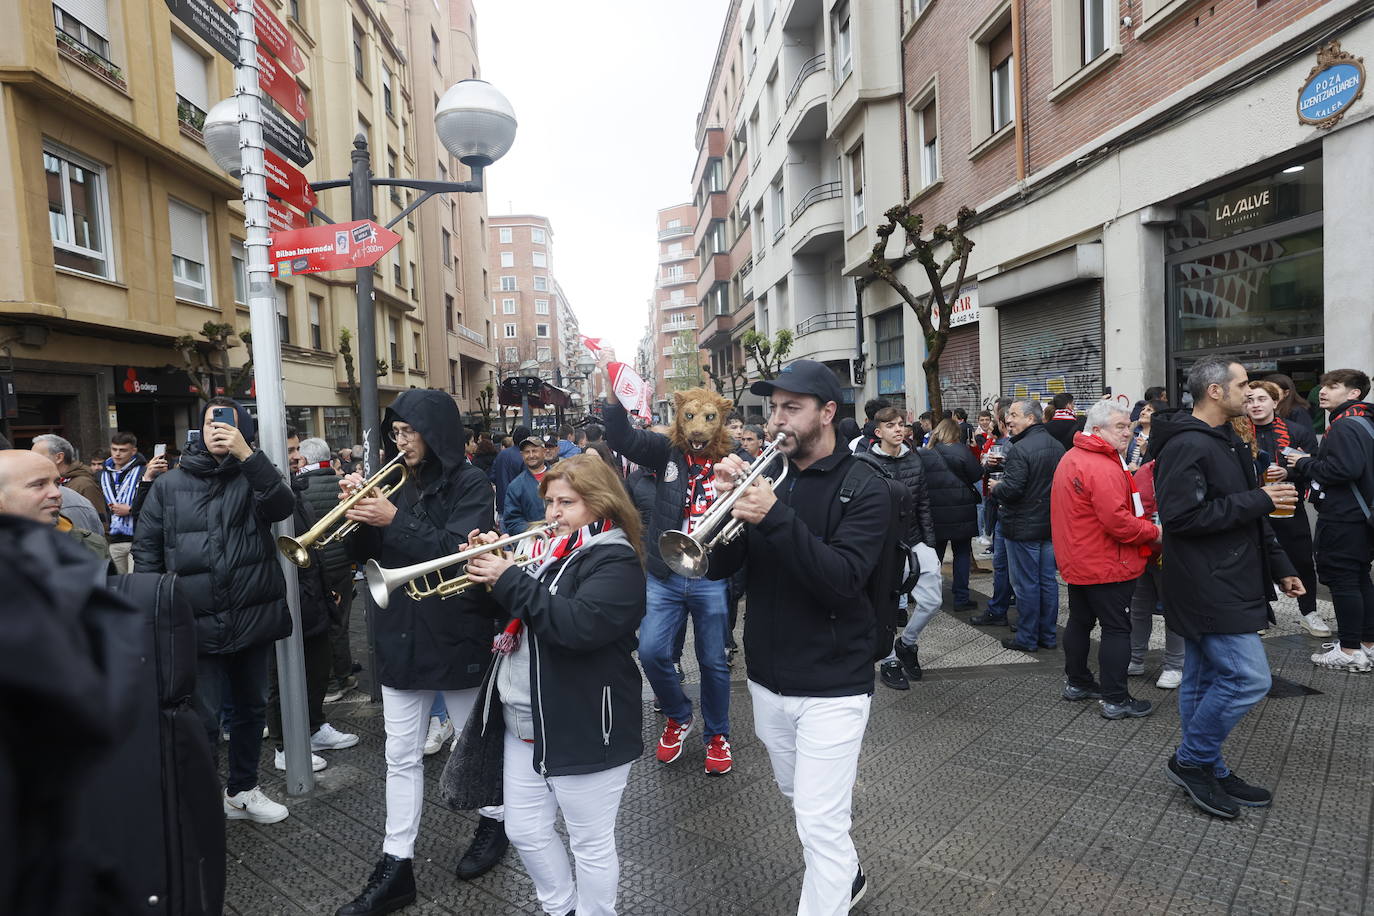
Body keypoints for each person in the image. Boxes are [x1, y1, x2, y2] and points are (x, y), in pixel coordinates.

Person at [707, 359, 892, 912]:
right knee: (803, 801)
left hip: (834, 683)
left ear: (827, 413)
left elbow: (841, 582)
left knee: (818, 818)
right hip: (767, 678)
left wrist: (772, 516)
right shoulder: (770, 480)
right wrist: (724, 514)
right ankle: (846, 869)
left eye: (792, 408)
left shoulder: (866, 487)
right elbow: (721, 571)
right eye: (773, 409)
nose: (776, 421)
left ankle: (833, 879)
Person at [336, 390, 507, 916]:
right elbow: (360, 555)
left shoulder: (472, 482)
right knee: (399, 755)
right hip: (399, 634)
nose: (401, 441)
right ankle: (396, 861)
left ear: (435, 434)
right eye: (396, 432)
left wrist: (394, 521)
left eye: (409, 432)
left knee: (471, 744)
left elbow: (462, 555)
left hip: (455, 633)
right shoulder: (393, 484)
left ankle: (496, 823)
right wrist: (357, 517)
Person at [461, 454, 647, 916]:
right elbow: (508, 616)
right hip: (525, 720)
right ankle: (560, 907)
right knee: (523, 830)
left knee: (590, 844)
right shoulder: (548, 554)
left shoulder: (615, 559)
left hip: (587, 722)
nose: (553, 514)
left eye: (567, 503)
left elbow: (576, 628)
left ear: (600, 504)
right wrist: (489, 574)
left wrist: (510, 579)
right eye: (549, 503)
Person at [132, 398, 296, 824]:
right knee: (201, 719)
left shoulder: (254, 475)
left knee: (251, 709)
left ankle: (242, 789)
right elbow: (146, 549)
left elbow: (282, 507)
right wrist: (153, 612)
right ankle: (201, 798)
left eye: (225, 422)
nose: (216, 428)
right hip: (193, 621)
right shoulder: (169, 485)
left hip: (250, 616)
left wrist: (248, 455)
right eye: (208, 421)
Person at [1152, 357, 1303, 819]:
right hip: (1206, 583)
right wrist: (1260, 498)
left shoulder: (1229, 441)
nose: (1249, 392)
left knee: (1203, 678)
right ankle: (1193, 761)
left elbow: (1247, 514)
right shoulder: (1187, 445)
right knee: (1247, 679)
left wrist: (1279, 565)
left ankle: (1208, 765)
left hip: (1227, 577)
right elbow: (1181, 519)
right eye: (1242, 385)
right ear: (1215, 392)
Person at [604, 387, 738, 776]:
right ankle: (679, 715)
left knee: (714, 662)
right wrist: (613, 398)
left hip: (711, 574)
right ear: (678, 416)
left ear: (723, 418)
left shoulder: (734, 460)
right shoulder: (667, 454)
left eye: (709, 418)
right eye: (690, 417)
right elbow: (623, 439)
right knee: (650, 652)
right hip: (665, 571)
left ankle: (717, 734)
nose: (698, 428)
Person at [1052, 402, 1161, 718]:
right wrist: (1153, 532)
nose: (1128, 432)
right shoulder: (1101, 464)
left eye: (1128, 425)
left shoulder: (1074, 456)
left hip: (1079, 558)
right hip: (1106, 562)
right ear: (1096, 429)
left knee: (1080, 621)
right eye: (1120, 426)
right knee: (1116, 629)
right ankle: (1115, 699)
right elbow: (1118, 522)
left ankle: (1078, 682)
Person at [266, 433, 359, 773]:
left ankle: (315, 726)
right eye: (290, 450)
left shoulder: (297, 492)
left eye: (296, 450)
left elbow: (311, 548)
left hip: (311, 593)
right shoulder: (267, 495)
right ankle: (284, 743)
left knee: (317, 667)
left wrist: (323, 588)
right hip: (283, 595)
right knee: (282, 673)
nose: (297, 457)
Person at [1288, 368, 1374, 671]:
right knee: (1359, 578)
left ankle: (1349, 650)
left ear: (1354, 394)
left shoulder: (1344, 426)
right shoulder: (1364, 422)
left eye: (1333, 386)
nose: (1323, 391)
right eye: (1323, 386)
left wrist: (1304, 462)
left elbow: (1343, 470)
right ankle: (1366, 645)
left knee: (1344, 581)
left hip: (1343, 517)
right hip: (1360, 518)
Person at [1244, 380, 1326, 638]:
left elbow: (1315, 466)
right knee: (1252, 559)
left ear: (1275, 402)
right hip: (1252, 506)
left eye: (1261, 399)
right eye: (1250, 400)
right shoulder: (1238, 433)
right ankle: (1259, 614)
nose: (1255, 405)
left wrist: (1289, 471)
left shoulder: (1297, 431)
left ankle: (1309, 611)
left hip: (1289, 504)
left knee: (1301, 558)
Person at [864, 407, 937, 691]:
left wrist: (930, 543)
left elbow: (924, 504)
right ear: (878, 432)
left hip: (915, 540)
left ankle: (906, 643)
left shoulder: (914, 459)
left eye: (901, 424)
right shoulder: (866, 462)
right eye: (891, 425)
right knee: (886, 606)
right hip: (883, 546)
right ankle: (889, 660)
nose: (898, 429)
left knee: (931, 601)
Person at [990, 399, 1065, 652]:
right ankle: (1048, 635)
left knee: (1026, 585)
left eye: (1013, 415)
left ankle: (1027, 637)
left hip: (1022, 527)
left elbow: (1013, 490)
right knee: (1047, 582)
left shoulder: (1020, 449)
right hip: (1048, 525)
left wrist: (997, 487)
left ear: (1031, 419)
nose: (1008, 419)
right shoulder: (1057, 446)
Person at [292, 436, 360, 702]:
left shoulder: (300, 487)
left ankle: (331, 683)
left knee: (323, 626)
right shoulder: (339, 482)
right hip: (341, 563)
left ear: (305, 459)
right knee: (341, 622)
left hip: (315, 565)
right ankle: (343, 675)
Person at [1127, 458, 1184, 689]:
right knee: (1138, 608)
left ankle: (1174, 665)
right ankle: (1134, 658)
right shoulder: (1144, 471)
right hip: (1143, 550)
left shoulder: (1184, 466)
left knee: (1174, 613)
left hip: (1174, 552)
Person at [921, 419, 982, 613]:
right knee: (962, 554)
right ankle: (961, 598)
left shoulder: (925, 454)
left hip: (935, 511)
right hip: (961, 511)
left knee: (934, 556)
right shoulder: (962, 451)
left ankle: (929, 597)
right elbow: (975, 475)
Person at [31, 434, 107, 527]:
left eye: (38, 456)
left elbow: (100, 525)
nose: (32, 460)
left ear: (59, 457)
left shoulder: (85, 484)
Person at [101, 431, 149, 573]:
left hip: (137, 539)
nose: (117, 454)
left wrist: (130, 510)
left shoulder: (144, 471)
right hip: (113, 538)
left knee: (133, 583)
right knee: (118, 584)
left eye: (122, 450)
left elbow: (151, 503)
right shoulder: (102, 474)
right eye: (114, 449)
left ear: (133, 451)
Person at [502, 435, 551, 534]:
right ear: (522, 455)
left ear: (544, 452)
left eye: (535, 450)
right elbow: (512, 521)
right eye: (527, 452)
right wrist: (535, 532)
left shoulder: (560, 477)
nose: (531, 455)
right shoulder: (515, 486)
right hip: (534, 543)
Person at [490, 424, 532, 514]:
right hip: (518, 506)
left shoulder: (501, 455)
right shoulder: (524, 457)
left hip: (502, 504)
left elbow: (493, 476)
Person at [1126, 399, 1165, 471]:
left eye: (1149, 410)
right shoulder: (1131, 431)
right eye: (1143, 409)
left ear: (1158, 415)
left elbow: (1160, 465)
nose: (1143, 412)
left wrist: (1145, 452)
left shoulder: (1161, 438)